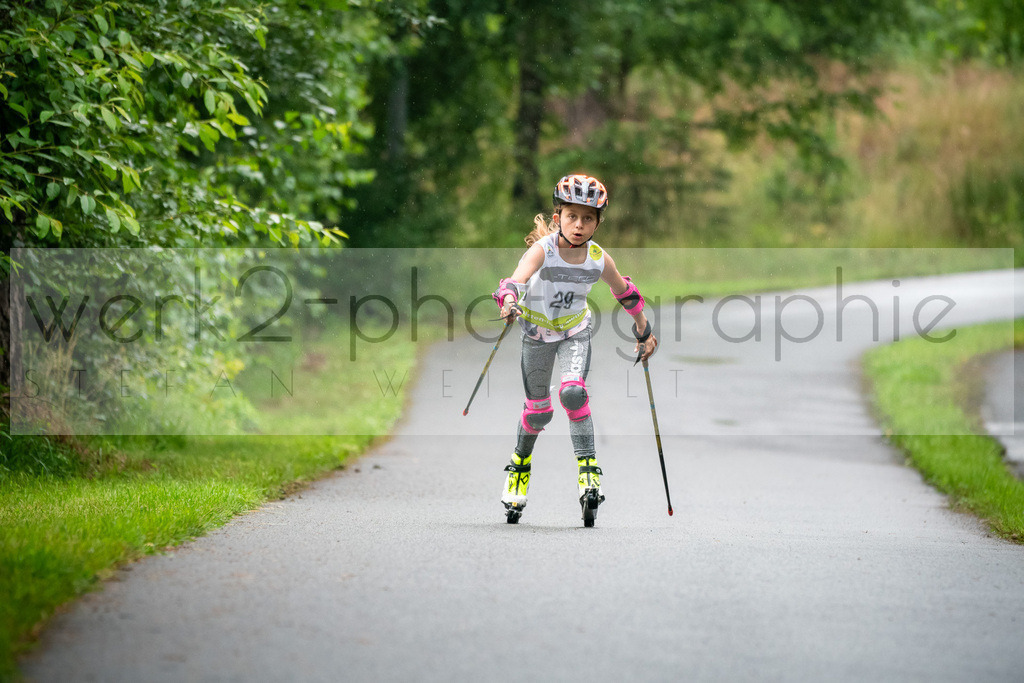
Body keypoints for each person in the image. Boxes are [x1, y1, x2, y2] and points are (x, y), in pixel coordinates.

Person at [492, 173, 658, 526]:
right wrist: (508, 299)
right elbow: (518, 277)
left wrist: (644, 330)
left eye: (588, 218)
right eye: (571, 216)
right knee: (538, 413)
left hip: (574, 334)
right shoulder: (543, 250)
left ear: (598, 222)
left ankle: (589, 473)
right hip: (536, 334)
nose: (579, 225)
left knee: (572, 393)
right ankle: (519, 468)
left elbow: (625, 292)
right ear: (557, 219)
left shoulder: (598, 258)